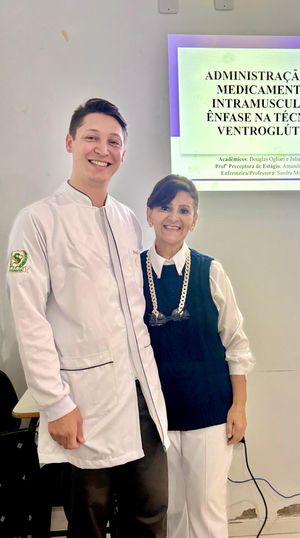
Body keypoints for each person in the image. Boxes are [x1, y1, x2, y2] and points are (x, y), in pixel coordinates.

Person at [7, 98, 169, 538]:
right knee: (90, 522)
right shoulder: (37, 221)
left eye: (113, 141)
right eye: (91, 138)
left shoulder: (127, 220)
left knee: (150, 510)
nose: (103, 149)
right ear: (70, 142)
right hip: (84, 401)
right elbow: (30, 321)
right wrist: (56, 404)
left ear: (123, 152)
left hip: (140, 396)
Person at [141, 174, 255, 538]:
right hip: (156, 415)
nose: (173, 217)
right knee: (171, 510)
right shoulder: (131, 272)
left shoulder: (210, 271)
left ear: (194, 220)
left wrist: (239, 406)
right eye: (165, 207)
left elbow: (236, 343)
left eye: (184, 210)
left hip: (209, 413)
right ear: (149, 214)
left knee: (206, 509)